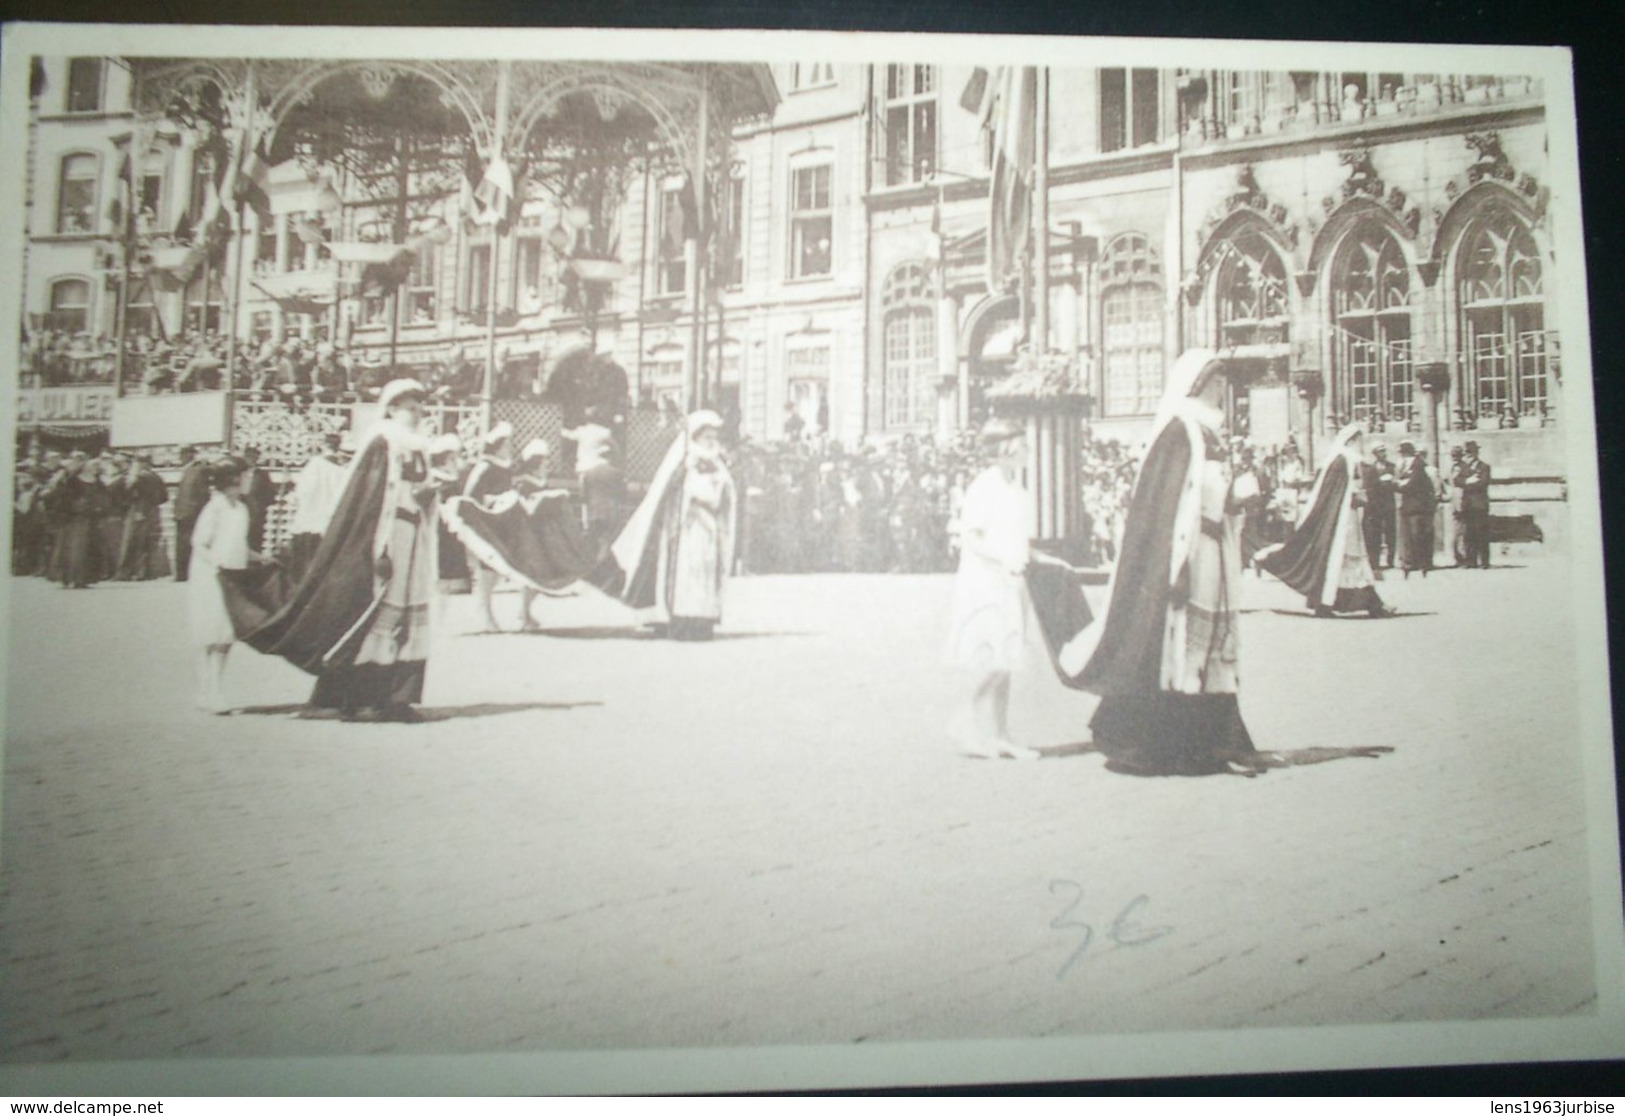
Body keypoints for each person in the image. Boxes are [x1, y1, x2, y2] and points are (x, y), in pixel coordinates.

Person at [1058, 351, 1256, 776]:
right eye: (1216, 381)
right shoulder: (1181, 431)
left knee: (1210, 644)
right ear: (1198, 384)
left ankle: (1217, 740)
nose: (1223, 389)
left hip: (1214, 550)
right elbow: (1167, 506)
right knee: (1181, 648)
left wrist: (1237, 501)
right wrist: (1175, 566)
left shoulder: (1211, 431)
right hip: (1189, 554)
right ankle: (1173, 744)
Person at [221, 379, 440, 723]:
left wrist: (429, 496)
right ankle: (356, 697)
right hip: (383, 535)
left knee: (406, 614)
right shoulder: (382, 440)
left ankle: (396, 697)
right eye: (410, 407)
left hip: (413, 533)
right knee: (374, 613)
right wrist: (376, 543)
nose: (417, 413)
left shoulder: (420, 446)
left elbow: (419, 488)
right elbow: (366, 498)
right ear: (392, 408)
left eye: (419, 407)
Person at [943, 419, 1041, 761]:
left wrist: (1034, 558)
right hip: (987, 582)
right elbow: (972, 537)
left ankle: (1000, 736)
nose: (1028, 451)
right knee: (995, 657)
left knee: (1008, 657)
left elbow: (1013, 536)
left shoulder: (1015, 488)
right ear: (1006, 450)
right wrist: (1004, 561)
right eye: (1023, 445)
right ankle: (964, 715)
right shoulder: (984, 486)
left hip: (1013, 580)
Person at [606, 410, 738, 641]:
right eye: (707, 436)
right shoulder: (684, 463)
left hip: (709, 528)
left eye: (714, 436)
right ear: (695, 438)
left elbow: (727, 491)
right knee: (688, 576)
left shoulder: (716, 464)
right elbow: (671, 493)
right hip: (687, 529)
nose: (712, 441)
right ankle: (683, 621)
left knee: (704, 574)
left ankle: (703, 621)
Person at [1258, 423, 1393, 618]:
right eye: (1358, 440)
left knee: (1342, 563)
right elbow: (1347, 491)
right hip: (1343, 522)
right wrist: (1360, 496)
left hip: (1345, 519)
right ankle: (1365, 605)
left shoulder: (1338, 459)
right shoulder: (1345, 459)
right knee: (1346, 561)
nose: (1360, 444)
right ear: (1351, 440)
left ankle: (1331, 604)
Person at [189, 457, 256, 714]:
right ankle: (209, 690)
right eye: (246, 475)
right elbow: (199, 542)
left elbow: (239, 543)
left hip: (233, 577)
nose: (249, 480)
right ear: (233, 479)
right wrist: (216, 564)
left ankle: (212, 689)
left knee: (226, 635)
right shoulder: (215, 508)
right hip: (211, 577)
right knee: (210, 633)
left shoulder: (241, 509)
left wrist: (258, 557)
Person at [465, 421, 516, 631]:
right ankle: (485, 615)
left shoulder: (504, 466)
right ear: (499, 445)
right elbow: (471, 494)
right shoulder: (486, 466)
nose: (510, 446)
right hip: (488, 523)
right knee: (487, 570)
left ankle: (486, 613)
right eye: (507, 443)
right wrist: (493, 500)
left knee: (495, 571)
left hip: (502, 522)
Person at [116, 455, 171, 580]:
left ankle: (127, 573)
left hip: (138, 511)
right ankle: (147, 572)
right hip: (154, 512)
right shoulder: (157, 477)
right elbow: (164, 497)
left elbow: (129, 492)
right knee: (149, 542)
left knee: (132, 542)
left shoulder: (138, 478)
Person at [1392, 440, 1437, 577]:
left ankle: (1421, 563)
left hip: (1417, 507)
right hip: (1408, 507)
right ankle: (1412, 562)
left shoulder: (1417, 465)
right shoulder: (1407, 466)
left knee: (1417, 535)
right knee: (1409, 535)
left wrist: (1395, 485)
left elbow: (1412, 485)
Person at [173, 445, 210, 581]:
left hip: (191, 514)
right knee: (182, 545)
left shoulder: (197, 471)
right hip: (182, 514)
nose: (182, 457)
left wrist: (198, 512)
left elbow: (203, 494)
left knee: (189, 545)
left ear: (190, 455)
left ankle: (187, 574)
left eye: (185, 454)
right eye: (182, 454)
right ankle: (181, 574)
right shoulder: (187, 471)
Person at [1359, 441, 1396, 572]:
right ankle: (1375, 562)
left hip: (1388, 504)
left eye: (1384, 451)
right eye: (1380, 451)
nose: (1383, 454)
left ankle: (1390, 560)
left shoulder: (1392, 467)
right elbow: (1368, 486)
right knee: (1374, 535)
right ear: (1375, 454)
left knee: (1390, 532)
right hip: (1375, 506)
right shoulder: (1370, 469)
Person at [1455, 439, 1492, 569]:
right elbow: (1457, 481)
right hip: (1468, 505)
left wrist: (1467, 483)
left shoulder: (1484, 467)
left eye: (1471, 453)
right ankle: (1471, 561)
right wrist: (1469, 481)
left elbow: (1483, 483)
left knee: (1481, 533)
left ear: (1476, 453)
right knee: (1469, 534)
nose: (1468, 456)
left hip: (1479, 505)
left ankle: (1484, 561)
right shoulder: (1464, 468)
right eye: (1467, 453)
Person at [241, 447, 278, 554]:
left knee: (254, 543)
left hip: (255, 516)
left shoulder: (262, 475)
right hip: (240, 512)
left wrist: (259, 506)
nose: (251, 460)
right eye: (249, 457)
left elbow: (270, 495)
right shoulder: (239, 473)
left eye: (254, 457)